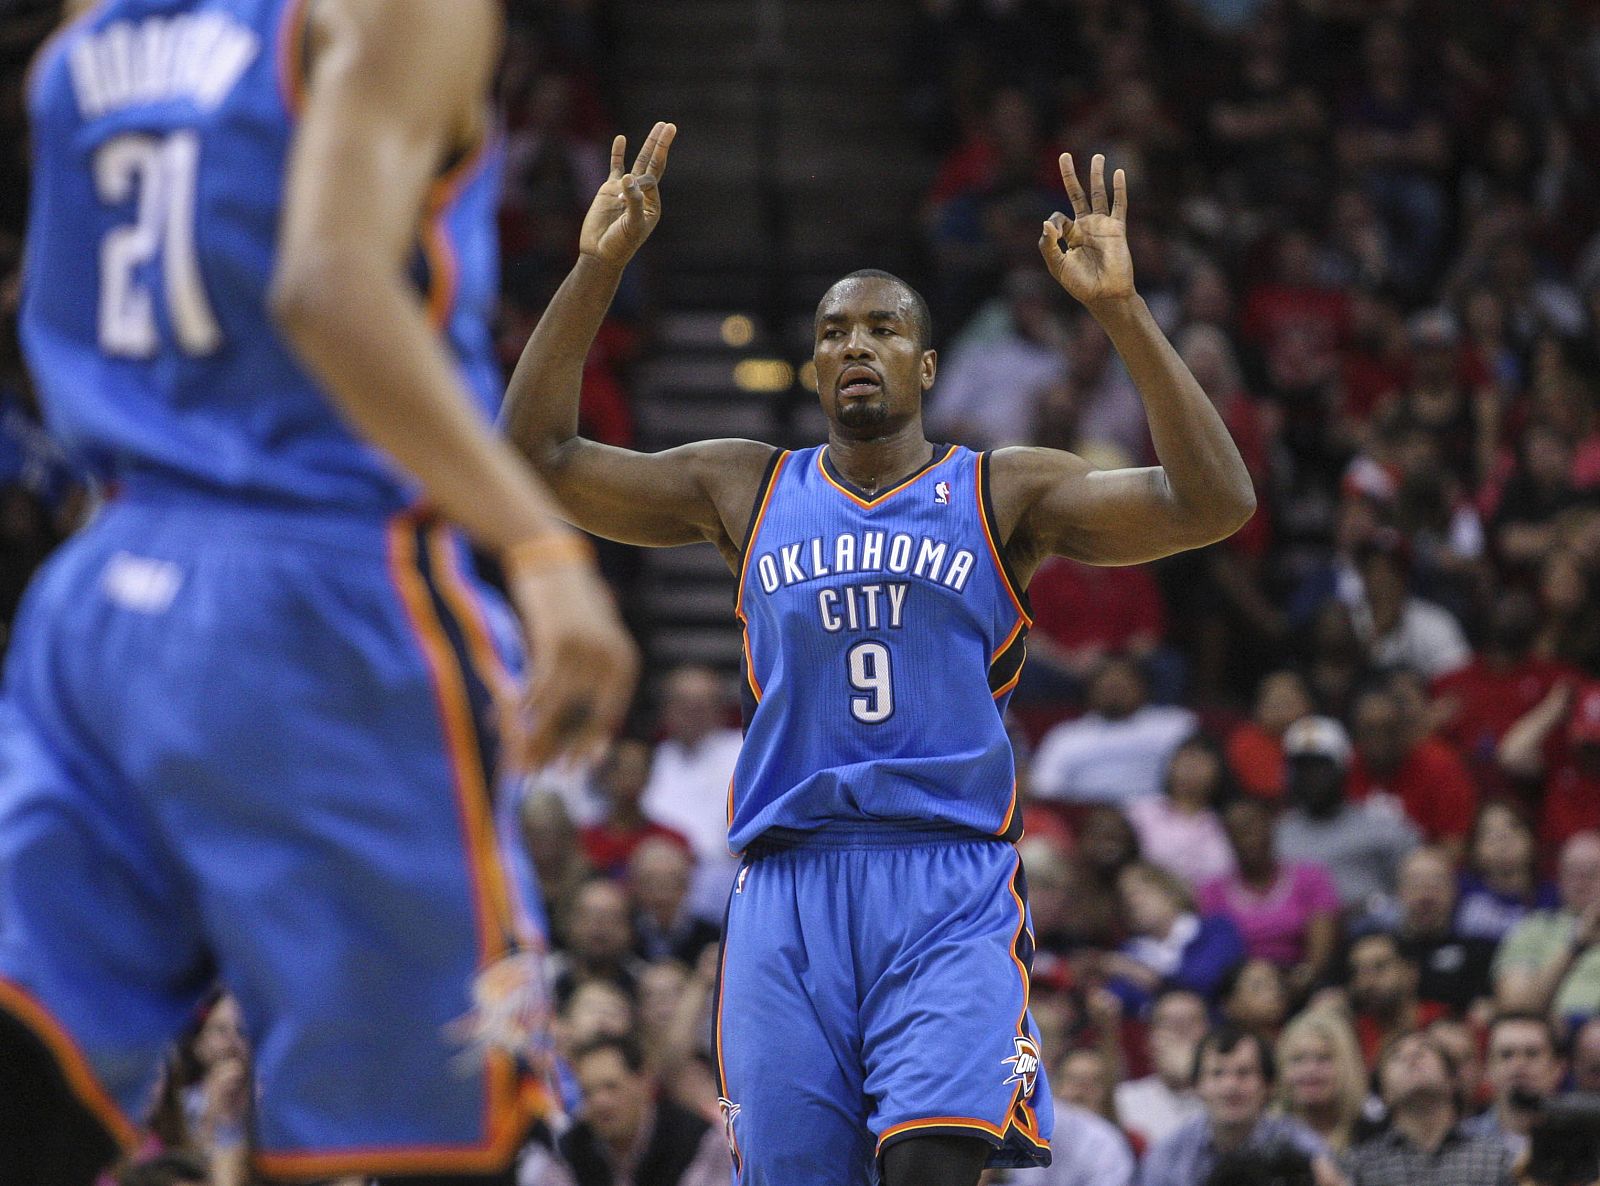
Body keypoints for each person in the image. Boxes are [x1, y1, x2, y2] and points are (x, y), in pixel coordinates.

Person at [503, 146, 1256, 1186]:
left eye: (883, 327)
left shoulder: (1002, 492)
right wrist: (593, 271)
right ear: (812, 370)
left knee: (932, 1168)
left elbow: (1213, 502)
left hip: (946, 879)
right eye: (832, 332)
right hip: (786, 890)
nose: (855, 343)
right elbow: (534, 457)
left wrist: (1122, 313)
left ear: (927, 365)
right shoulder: (744, 485)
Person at [0, 2, 640, 1183]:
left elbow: (46, 290)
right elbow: (326, 281)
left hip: (102, 588)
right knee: (425, 1140)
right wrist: (541, 555)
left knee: (37, 1083)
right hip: (320, 593)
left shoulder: (87, 35)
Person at [1140, 1027, 1327, 1186]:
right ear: (1197, 1086)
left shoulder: (1302, 1146)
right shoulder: (1170, 1154)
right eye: (1217, 1073)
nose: (1230, 1086)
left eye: (1243, 1073)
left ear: (1269, 1087)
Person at [1273, 716, 1420, 918]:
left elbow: (1418, 876)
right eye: (1302, 769)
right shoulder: (1278, 835)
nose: (1310, 778)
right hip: (1301, 937)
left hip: (1373, 931)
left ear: (1342, 768)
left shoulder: (1381, 825)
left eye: (1319, 767)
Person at [534, 1036, 730, 1186]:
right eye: (588, 1092)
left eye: (611, 1087)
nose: (600, 1102)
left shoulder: (696, 1139)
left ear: (644, 1082)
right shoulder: (570, 1149)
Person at [1201, 797, 1340, 999]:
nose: (1245, 836)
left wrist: (1296, 983)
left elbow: (1320, 954)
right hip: (1244, 991)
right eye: (1235, 830)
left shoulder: (1310, 877)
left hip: (1304, 984)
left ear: (1270, 825)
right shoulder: (1211, 891)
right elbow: (1218, 958)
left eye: (1251, 825)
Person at [639, 666, 747, 919]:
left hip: (721, 871)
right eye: (683, 705)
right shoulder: (654, 758)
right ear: (666, 710)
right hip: (659, 871)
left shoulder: (742, 751)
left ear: (720, 709)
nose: (692, 714)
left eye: (701, 706)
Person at [1345, 1032, 1512, 1186]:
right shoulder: (1360, 1165)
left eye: (1423, 1050)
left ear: (1452, 1080)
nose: (1411, 1058)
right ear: (1384, 1093)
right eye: (1396, 1055)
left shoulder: (1494, 1159)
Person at [1031, 654, 1198, 806]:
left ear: (1142, 686)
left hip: (1159, 818)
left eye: (1122, 684)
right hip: (1088, 821)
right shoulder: (1066, 736)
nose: (1115, 691)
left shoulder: (1175, 726)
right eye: (1108, 685)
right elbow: (1044, 790)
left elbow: (1200, 776)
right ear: (1091, 689)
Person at [1106, 861, 1247, 1013]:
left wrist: (1152, 980)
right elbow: (1116, 1001)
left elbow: (1207, 980)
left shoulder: (1215, 930)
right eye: (1126, 896)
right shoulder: (1130, 954)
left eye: (1141, 892)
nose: (1133, 902)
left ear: (1170, 891)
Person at [1493, 831, 1600, 1020]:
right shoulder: (1533, 928)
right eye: (1573, 872)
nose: (1581, 881)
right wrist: (1576, 946)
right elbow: (1515, 1006)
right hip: (1548, 1032)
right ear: (1559, 877)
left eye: (1592, 872)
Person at [1128, 734, 1240, 888]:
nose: (1190, 768)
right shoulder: (1139, 812)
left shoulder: (1229, 822)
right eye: (1185, 760)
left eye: (1201, 762)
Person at [1114, 987, 1208, 1148]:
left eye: (1189, 1024)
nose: (1179, 1034)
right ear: (1149, 1041)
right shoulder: (1124, 1099)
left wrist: (1193, 1075)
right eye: (1169, 1025)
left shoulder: (1230, 1094)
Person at [1463, 1014, 1568, 1159]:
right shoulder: (1462, 1140)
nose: (1518, 1064)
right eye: (1506, 1055)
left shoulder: (1583, 1141)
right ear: (1487, 1070)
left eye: (1532, 1054)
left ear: (1558, 1068)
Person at [1346, 932, 1448, 1069]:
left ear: (1411, 972)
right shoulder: (1351, 1035)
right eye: (1358, 971)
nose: (1366, 982)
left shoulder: (1443, 1020)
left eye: (1379, 967)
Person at [1277, 1009, 1369, 1154]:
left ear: (1348, 1067)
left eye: (1323, 1058)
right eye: (1298, 1059)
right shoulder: (1265, 1139)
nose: (1309, 1069)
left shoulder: (1375, 1134)